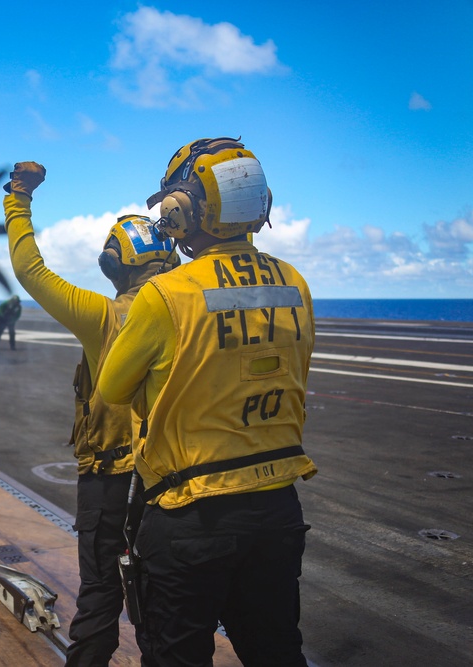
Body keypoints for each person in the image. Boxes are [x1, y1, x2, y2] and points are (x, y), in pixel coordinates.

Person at [98, 137, 318, 666]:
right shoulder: (295, 283)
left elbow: (111, 389)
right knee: (276, 650)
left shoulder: (164, 294)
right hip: (277, 509)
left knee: (177, 656)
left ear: (182, 210)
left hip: (190, 514)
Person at [3, 162, 181, 665]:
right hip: (169, 480)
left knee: (102, 591)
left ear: (112, 265)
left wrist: (19, 196)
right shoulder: (185, 309)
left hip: (108, 479)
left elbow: (29, 270)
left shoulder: (102, 314)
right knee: (163, 602)